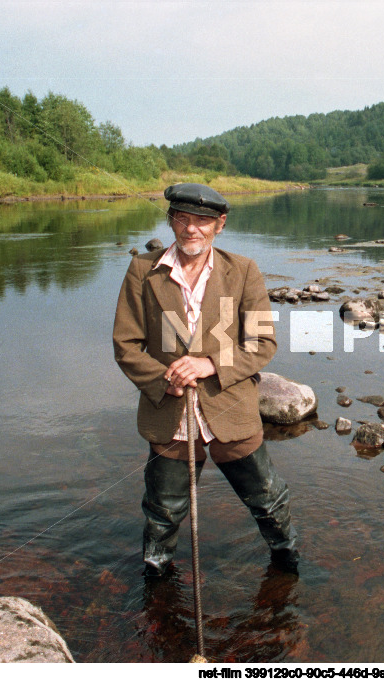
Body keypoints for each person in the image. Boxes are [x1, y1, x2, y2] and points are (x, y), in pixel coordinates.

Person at [113, 183, 298, 575]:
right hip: (170, 412)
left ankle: (287, 562)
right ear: (171, 221)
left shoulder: (243, 271)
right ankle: (157, 579)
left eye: (203, 221)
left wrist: (210, 363)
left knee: (267, 499)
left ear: (220, 225)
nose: (191, 228)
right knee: (163, 511)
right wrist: (167, 378)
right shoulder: (142, 271)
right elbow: (126, 345)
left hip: (231, 408)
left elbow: (262, 341)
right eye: (182, 218)